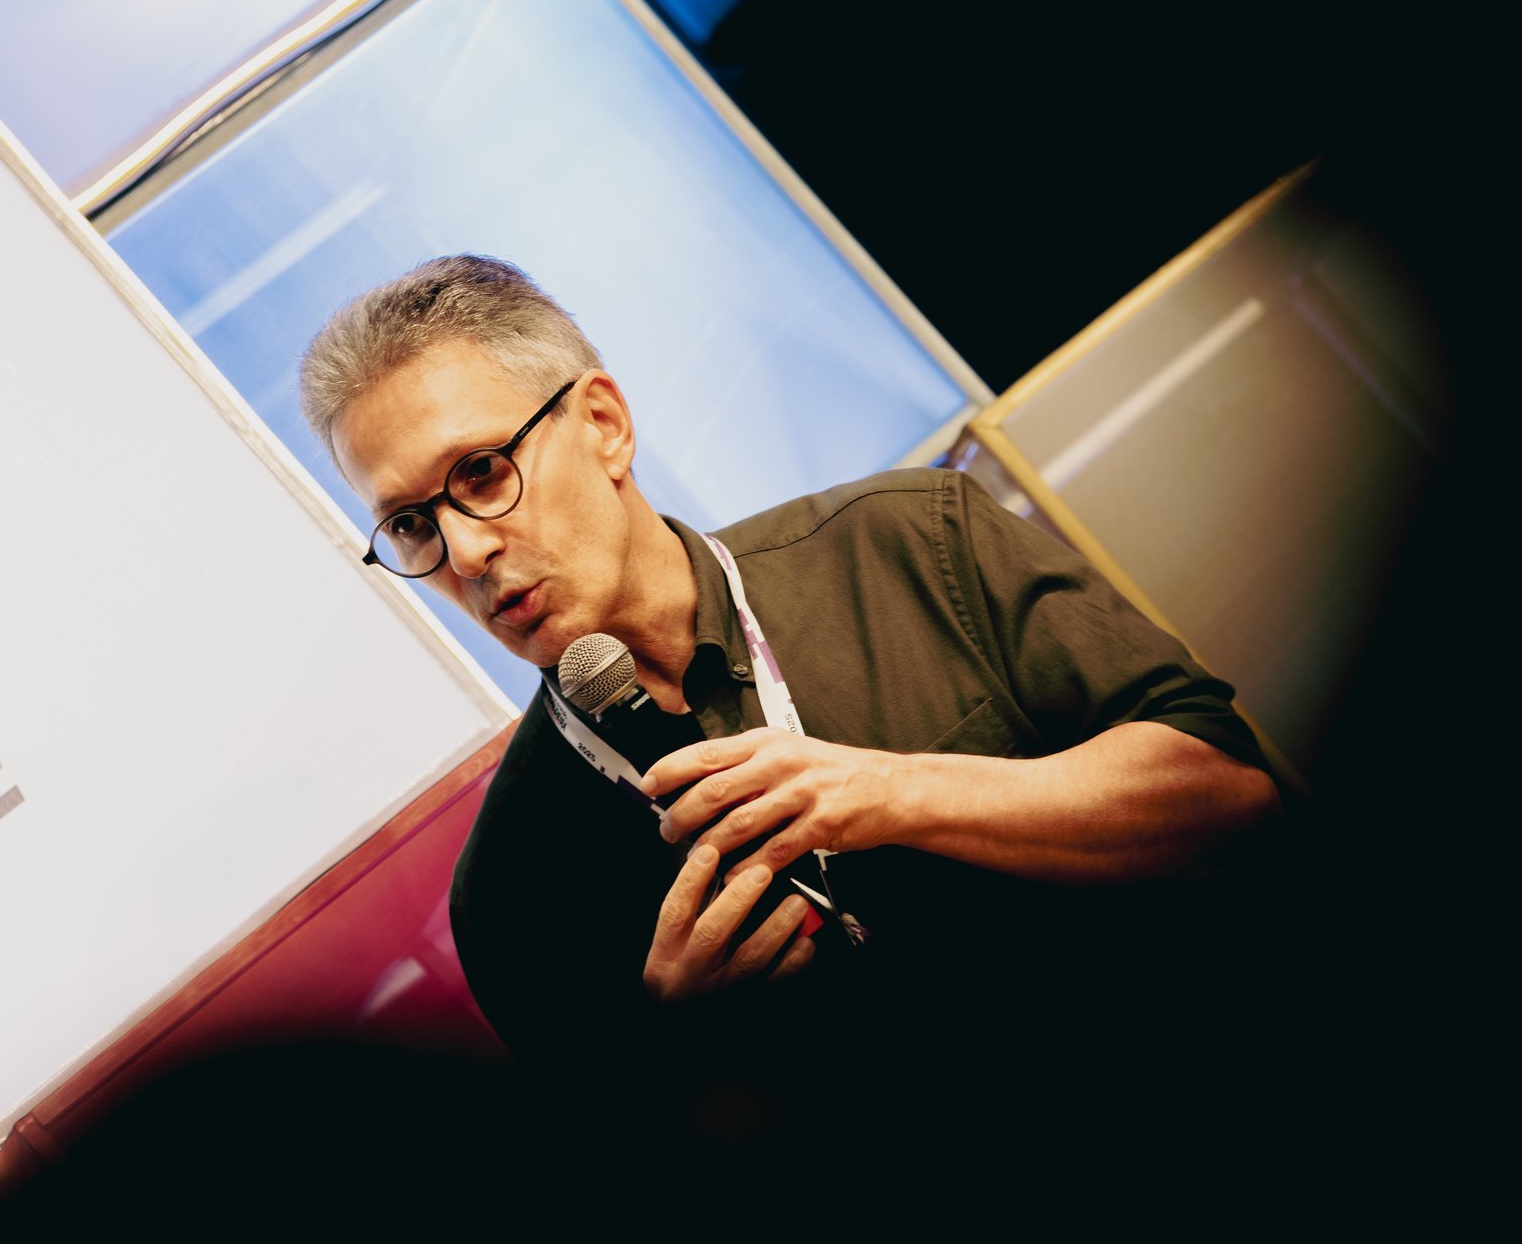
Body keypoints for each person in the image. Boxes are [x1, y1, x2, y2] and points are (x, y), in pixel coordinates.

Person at [299, 255, 1282, 1092]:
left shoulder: (909, 540)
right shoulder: (510, 892)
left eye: (480, 471)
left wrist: (897, 791)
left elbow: (1232, 798)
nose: (467, 551)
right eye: (412, 524)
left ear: (603, 423)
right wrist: (682, 1058)